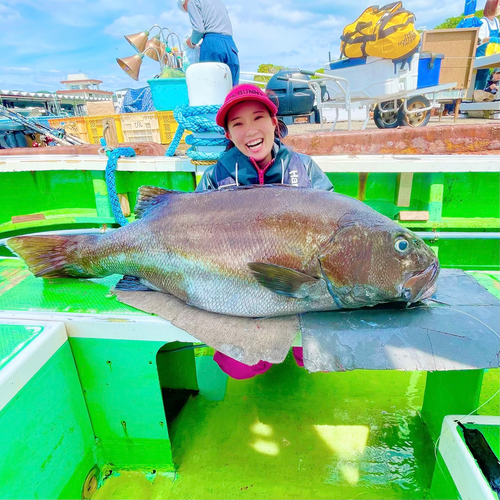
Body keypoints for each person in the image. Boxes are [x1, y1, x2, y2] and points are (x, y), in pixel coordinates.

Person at [196, 84, 334, 379]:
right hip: (237, 285)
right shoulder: (214, 178)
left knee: (316, 354)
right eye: (237, 124)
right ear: (228, 135)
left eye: (258, 117)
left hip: (301, 288)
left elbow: (333, 226)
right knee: (240, 366)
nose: (250, 130)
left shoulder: (306, 169)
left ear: (274, 122)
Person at [177, 0, 240, 86]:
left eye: (186, 9)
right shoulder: (218, 2)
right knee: (233, 91)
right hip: (231, 46)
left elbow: (198, 29)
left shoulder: (191, 2)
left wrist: (191, 42)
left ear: (184, 3)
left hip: (212, 45)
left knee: (210, 88)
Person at [475, 0, 500, 90]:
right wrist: (492, 39)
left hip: (490, 55)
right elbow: (480, 39)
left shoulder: (496, 21)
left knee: (484, 77)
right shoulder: (483, 22)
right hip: (481, 55)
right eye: (499, 5)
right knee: (479, 79)